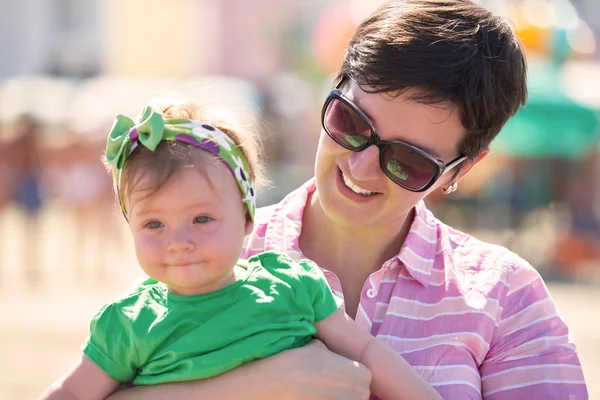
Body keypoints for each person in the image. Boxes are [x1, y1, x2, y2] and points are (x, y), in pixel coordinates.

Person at [96, 0, 590, 398]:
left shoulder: (506, 297)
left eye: (409, 161)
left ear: (461, 171)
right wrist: (253, 385)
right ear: (331, 91)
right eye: (352, 124)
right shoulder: (204, 247)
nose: (360, 167)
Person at [39, 103, 443, 400]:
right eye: (153, 224)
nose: (178, 240)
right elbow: (72, 394)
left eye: (201, 219)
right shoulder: (129, 323)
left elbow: (369, 351)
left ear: (248, 219)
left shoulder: (291, 285)